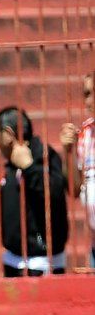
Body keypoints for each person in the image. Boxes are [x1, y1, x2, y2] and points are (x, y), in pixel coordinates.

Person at [0, 106, 69, 276]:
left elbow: (55, 194)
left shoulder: (44, 155)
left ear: (8, 134)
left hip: (43, 265)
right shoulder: (11, 163)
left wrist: (29, 167)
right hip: (13, 261)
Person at [59, 71, 95, 268]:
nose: (88, 100)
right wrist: (69, 152)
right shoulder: (85, 134)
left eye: (92, 92)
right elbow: (74, 189)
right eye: (86, 94)